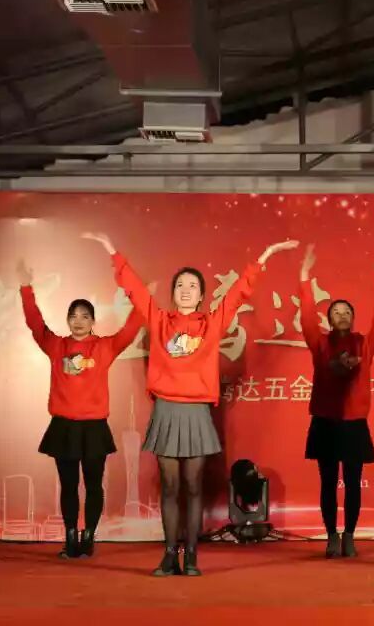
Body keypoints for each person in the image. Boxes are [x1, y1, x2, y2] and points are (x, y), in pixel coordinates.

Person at [81, 232, 298, 577]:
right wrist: (111, 251)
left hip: (197, 412)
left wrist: (265, 256)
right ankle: (170, 555)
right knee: (170, 487)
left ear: (201, 296)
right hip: (167, 410)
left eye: (193, 286)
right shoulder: (159, 321)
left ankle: (192, 555)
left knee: (194, 487)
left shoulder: (211, 324)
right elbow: (135, 289)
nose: (186, 290)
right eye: (180, 285)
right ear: (173, 293)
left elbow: (238, 293)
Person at [18, 259, 143, 559]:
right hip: (64, 426)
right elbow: (35, 323)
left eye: (85, 316)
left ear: (93, 321)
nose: (78, 321)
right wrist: (25, 288)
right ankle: (71, 536)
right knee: (69, 485)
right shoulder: (56, 346)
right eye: (73, 316)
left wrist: (136, 292)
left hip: (94, 427)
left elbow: (134, 325)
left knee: (94, 485)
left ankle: (89, 536)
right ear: (67, 320)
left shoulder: (104, 347)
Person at [299, 244, 374, 559]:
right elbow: (306, 320)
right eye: (336, 312)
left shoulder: (364, 345)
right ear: (329, 319)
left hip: (354, 425)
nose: (342, 315)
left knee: (353, 483)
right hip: (325, 422)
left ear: (353, 319)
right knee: (328, 483)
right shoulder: (320, 344)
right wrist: (304, 277)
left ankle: (349, 535)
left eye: (347, 312)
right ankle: (331, 536)